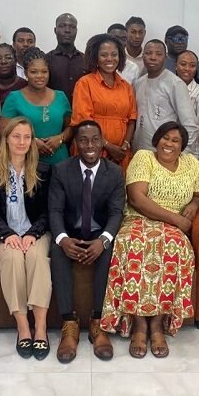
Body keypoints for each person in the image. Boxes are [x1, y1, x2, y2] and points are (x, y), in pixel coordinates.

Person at [100, 122, 199, 359]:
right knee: (133, 245)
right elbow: (136, 199)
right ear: (156, 140)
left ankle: (156, 325)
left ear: (183, 146)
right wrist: (176, 219)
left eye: (175, 140)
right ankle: (139, 324)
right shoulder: (144, 157)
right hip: (138, 219)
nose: (169, 143)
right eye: (165, 138)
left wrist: (194, 205)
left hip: (172, 227)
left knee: (175, 247)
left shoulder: (193, 165)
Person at [49, 120, 125, 363]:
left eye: (95, 139)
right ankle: (69, 324)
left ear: (103, 142)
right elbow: (55, 211)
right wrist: (62, 239)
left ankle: (98, 322)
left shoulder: (114, 172)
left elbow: (116, 212)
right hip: (71, 231)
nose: (89, 145)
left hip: (98, 232)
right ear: (76, 144)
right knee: (56, 251)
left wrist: (103, 240)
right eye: (83, 140)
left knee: (109, 250)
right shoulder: (61, 170)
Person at [0, 117, 52, 360]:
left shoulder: (43, 170)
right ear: (6, 139)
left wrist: (32, 234)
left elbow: (49, 211)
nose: (22, 142)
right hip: (5, 235)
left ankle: (40, 327)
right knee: (11, 259)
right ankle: (23, 327)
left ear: (33, 141)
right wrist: (8, 234)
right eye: (16, 136)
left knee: (36, 258)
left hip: (36, 232)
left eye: (27, 137)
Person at [71, 33, 137, 171]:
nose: (110, 59)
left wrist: (124, 146)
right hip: (92, 150)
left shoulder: (126, 86)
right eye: (104, 55)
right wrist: (107, 145)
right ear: (95, 57)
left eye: (114, 54)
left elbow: (132, 119)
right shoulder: (85, 83)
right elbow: (83, 121)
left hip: (120, 154)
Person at [0, 47, 71, 165]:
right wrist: (32, 142)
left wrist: (60, 138)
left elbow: (71, 128)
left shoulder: (61, 96)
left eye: (44, 71)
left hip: (59, 162)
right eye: (34, 72)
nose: (40, 76)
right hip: (26, 161)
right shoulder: (14, 98)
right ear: (26, 73)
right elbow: (2, 131)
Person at [133, 39, 199, 156]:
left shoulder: (175, 83)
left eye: (158, 54)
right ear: (143, 56)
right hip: (139, 152)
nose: (153, 57)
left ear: (166, 57)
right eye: (148, 53)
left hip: (165, 154)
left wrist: (182, 155)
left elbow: (190, 124)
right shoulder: (139, 83)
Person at [46, 13, 84, 103]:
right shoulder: (46, 60)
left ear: (76, 30)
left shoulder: (86, 60)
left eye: (72, 26)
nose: (67, 30)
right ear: (55, 30)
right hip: (55, 114)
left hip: (81, 114)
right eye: (62, 26)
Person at [175, 50, 199, 158]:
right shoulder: (168, 88)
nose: (187, 69)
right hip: (169, 147)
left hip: (191, 151)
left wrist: (184, 150)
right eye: (183, 64)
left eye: (192, 65)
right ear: (176, 66)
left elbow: (198, 125)